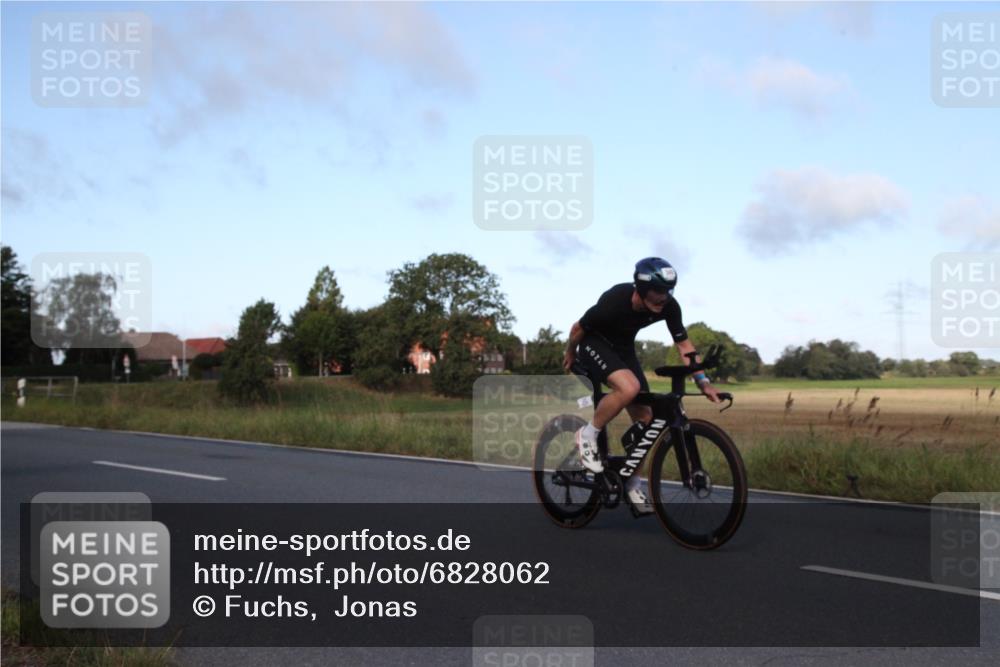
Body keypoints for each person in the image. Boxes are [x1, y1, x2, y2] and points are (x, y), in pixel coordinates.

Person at [562, 257, 722, 514]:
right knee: (629, 388)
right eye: (658, 292)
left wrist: (703, 382)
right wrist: (570, 353)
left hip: (624, 350)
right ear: (642, 289)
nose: (664, 297)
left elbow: (684, 346)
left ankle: (631, 483)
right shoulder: (615, 301)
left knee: (647, 420)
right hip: (594, 344)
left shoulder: (669, 306)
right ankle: (588, 434)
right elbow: (578, 328)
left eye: (668, 291)